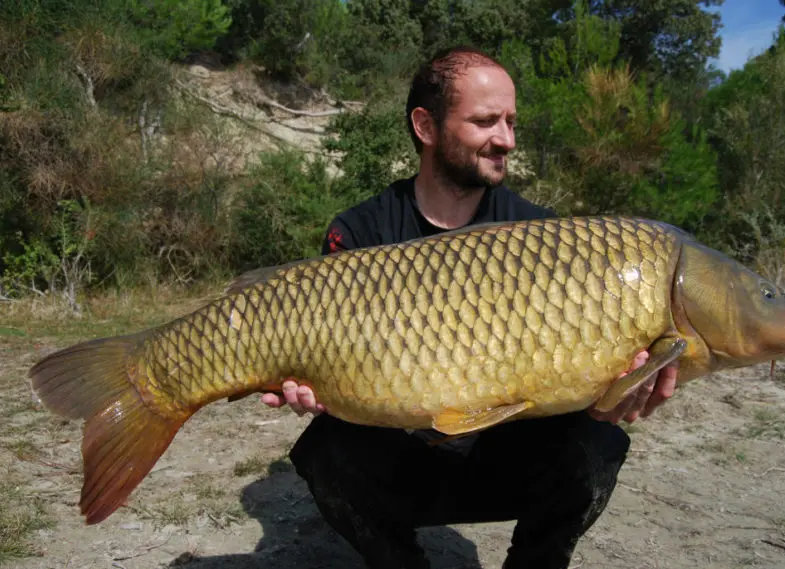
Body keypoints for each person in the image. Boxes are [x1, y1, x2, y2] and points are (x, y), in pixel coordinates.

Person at [261, 46, 679, 569]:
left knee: (598, 444)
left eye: (510, 121)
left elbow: (574, 373)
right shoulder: (360, 232)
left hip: (503, 457)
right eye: (485, 121)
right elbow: (328, 361)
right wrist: (309, 384)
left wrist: (616, 390)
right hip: (404, 458)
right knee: (325, 452)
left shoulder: (542, 234)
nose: (505, 139)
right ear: (425, 126)